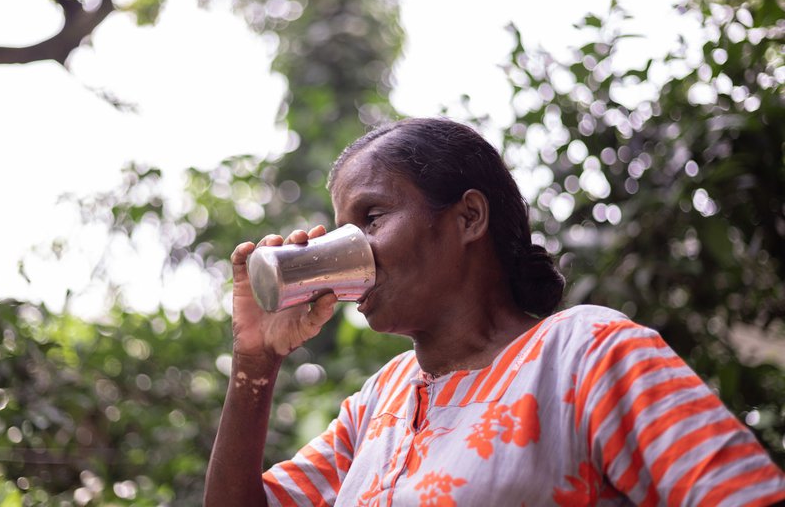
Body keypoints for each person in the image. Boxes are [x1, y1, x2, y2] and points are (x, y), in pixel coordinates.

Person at [204, 118, 785, 506]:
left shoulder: (585, 353)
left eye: (371, 219)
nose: (353, 249)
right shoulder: (377, 404)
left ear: (469, 217)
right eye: (342, 230)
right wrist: (255, 361)